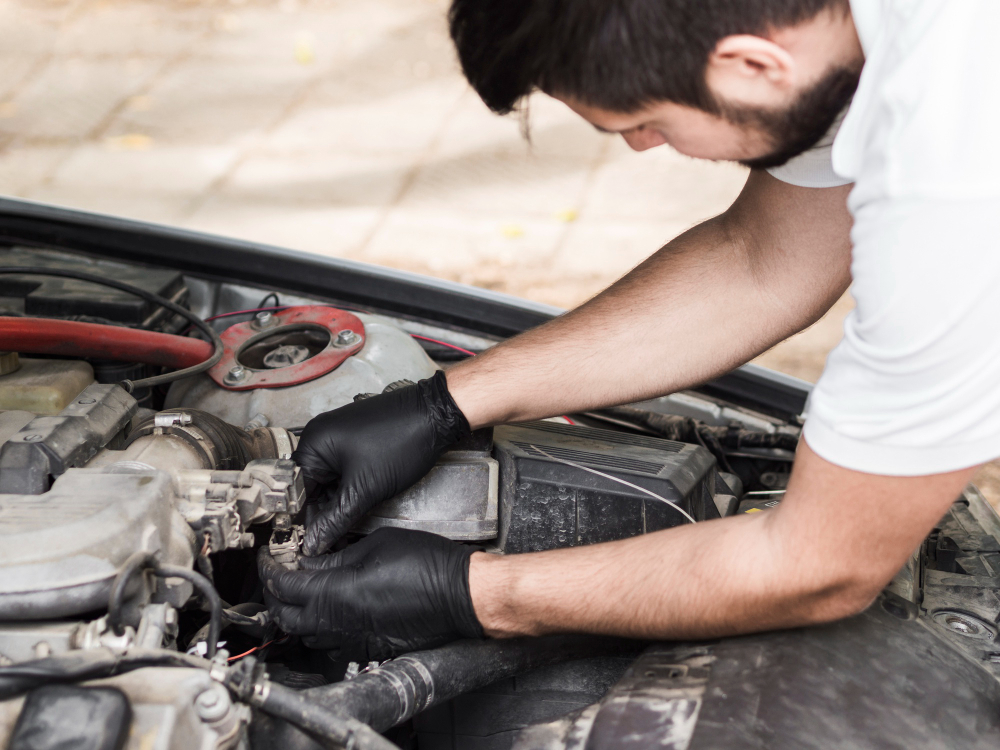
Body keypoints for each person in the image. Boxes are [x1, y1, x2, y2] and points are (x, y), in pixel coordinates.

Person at [258, 0, 1000, 659]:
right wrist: (447, 402)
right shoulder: (829, 37)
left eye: (646, 123)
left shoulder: (954, 184)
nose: (643, 146)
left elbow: (818, 565)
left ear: (751, 64)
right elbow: (762, 261)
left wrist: (478, 595)